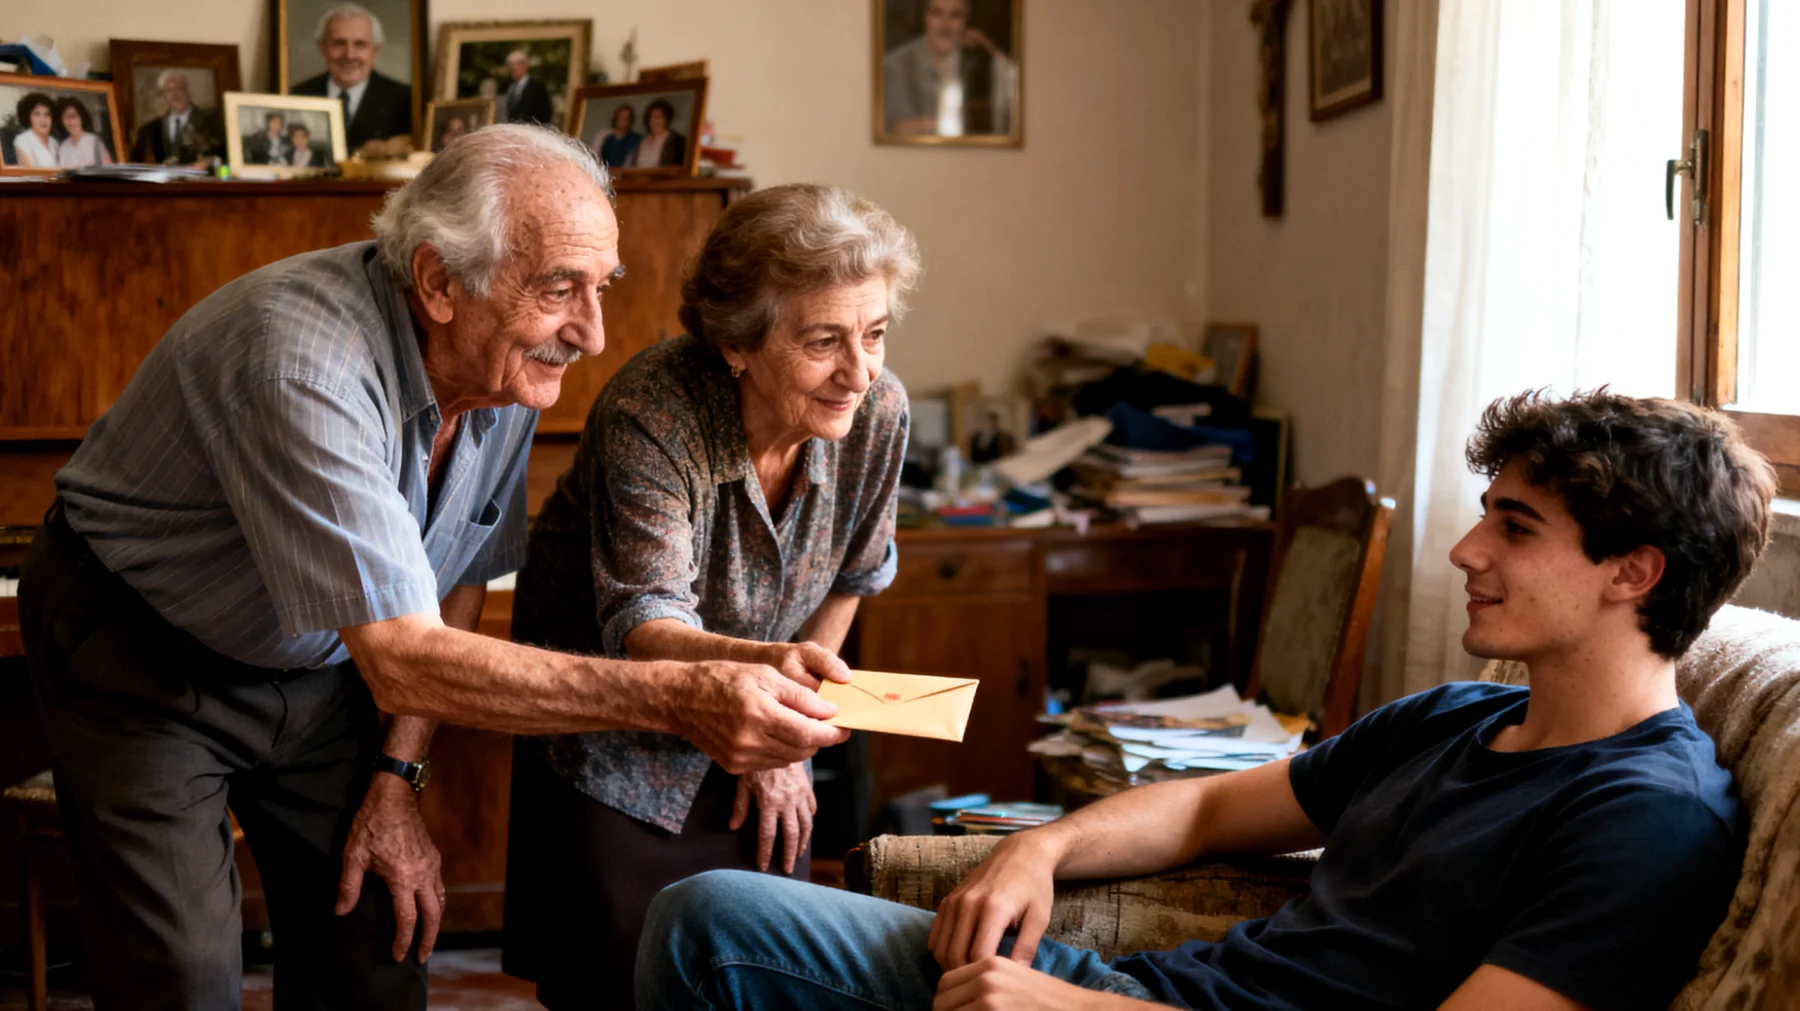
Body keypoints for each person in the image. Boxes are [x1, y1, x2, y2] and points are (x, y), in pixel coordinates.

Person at [17, 125, 849, 1011]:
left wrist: (395, 777)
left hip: (326, 666)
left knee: (379, 941)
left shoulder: (506, 362)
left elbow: (454, 587)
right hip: (143, 650)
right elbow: (407, 654)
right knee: (180, 979)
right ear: (439, 282)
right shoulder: (302, 360)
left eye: (601, 286)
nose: (592, 333)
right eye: (559, 289)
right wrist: (684, 695)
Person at [640, 389, 1779, 1011]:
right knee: (710, 914)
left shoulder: (1647, 817)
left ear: (1636, 573)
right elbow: (1202, 812)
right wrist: (1037, 854)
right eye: (1487, 510)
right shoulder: (1459, 718)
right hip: (1140, 990)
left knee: (713, 937)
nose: (1467, 547)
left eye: (1515, 528)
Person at [503, 183, 916, 1010]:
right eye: (824, 340)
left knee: (764, 970)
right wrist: (773, 675)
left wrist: (787, 739)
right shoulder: (654, 409)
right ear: (738, 341)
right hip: (614, 733)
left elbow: (854, 574)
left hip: (764, 730)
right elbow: (646, 624)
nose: (859, 371)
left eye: (874, 334)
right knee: (618, 979)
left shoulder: (878, 411)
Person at [883, 0, 1017, 137]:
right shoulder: (895, 66)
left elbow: (1011, 111)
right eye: (937, 14)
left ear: (966, 20)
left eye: (955, 15)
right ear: (924, 17)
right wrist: (964, 121)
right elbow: (899, 130)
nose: (945, 25)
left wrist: (987, 45)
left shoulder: (977, 63)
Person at [291, 2, 414, 149]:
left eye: (360, 44)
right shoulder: (296, 97)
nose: (349, 55)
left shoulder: (405, 101)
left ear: (375, 51)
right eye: (339, 43)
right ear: (323, 48)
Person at [128, 69, 224, 165]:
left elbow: (223, 156)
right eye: (169, 90)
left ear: (187, 91)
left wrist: (209, 162)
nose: (175, 95)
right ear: (164, 95)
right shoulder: (150, 130)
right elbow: (136, 163)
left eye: (179, 89)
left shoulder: (210, 122)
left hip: (199, 179)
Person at [53, 97, 114, 168]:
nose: (71, 122)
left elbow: (109, 170)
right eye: (66, 118)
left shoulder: (94, 141)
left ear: (81, 117)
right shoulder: (62, 148)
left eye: (73, 116)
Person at [501, 49, 555, 126]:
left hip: (532, 131)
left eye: (518, 64)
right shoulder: (510, 87)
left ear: (526, 66)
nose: (514, 68)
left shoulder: (537, 87)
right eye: (510, 65)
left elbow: (545, 114)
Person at [629, 99, 686, 169]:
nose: (655, 120)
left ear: (666, 119)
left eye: (659, 116)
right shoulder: (641, 141)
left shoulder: (678, 141)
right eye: (652, 117)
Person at [11, 92, 58, 168]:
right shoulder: (22, 140)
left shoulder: (54, 143)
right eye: (37, 114)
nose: (43, 120)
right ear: (28, 118)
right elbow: (30, 172)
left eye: (47, 115)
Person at [593, 103, 640, 168]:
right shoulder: (606, 137)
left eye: (626, 118)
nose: (623, 121)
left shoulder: (635, 139)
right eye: (621, 117)